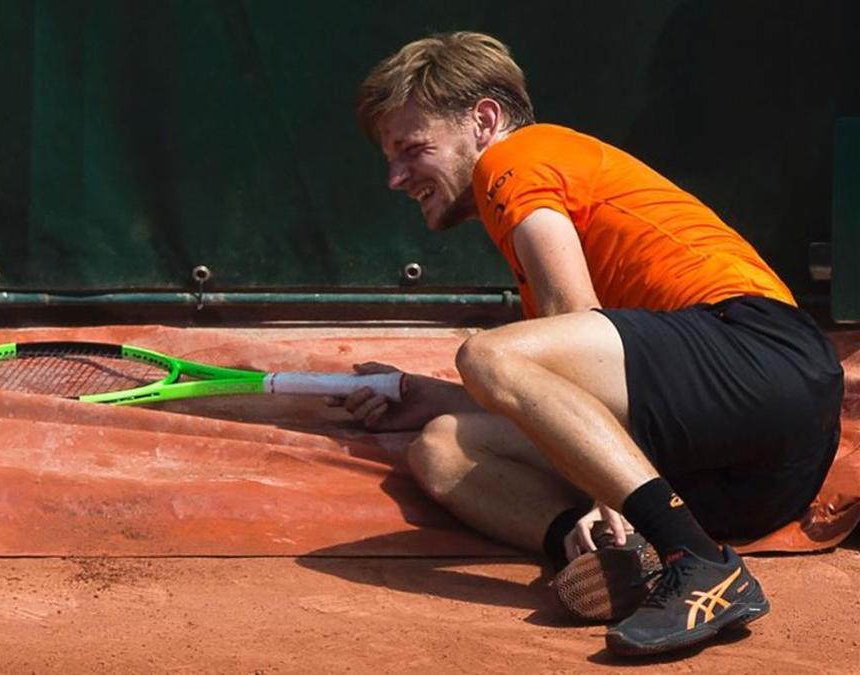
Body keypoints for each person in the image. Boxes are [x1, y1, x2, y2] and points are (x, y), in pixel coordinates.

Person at [342, 31, 843, 656]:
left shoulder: (513, 158)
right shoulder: (532, 189)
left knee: (488, 352)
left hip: (762, 355)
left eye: (412, 149)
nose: (394, 177)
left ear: (485, 120)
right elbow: (571, 400)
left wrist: (605, 492)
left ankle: (696, 561)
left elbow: (573, 313)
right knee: (442, 447)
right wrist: (432, 397)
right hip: (749, 480)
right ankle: (608, 559)